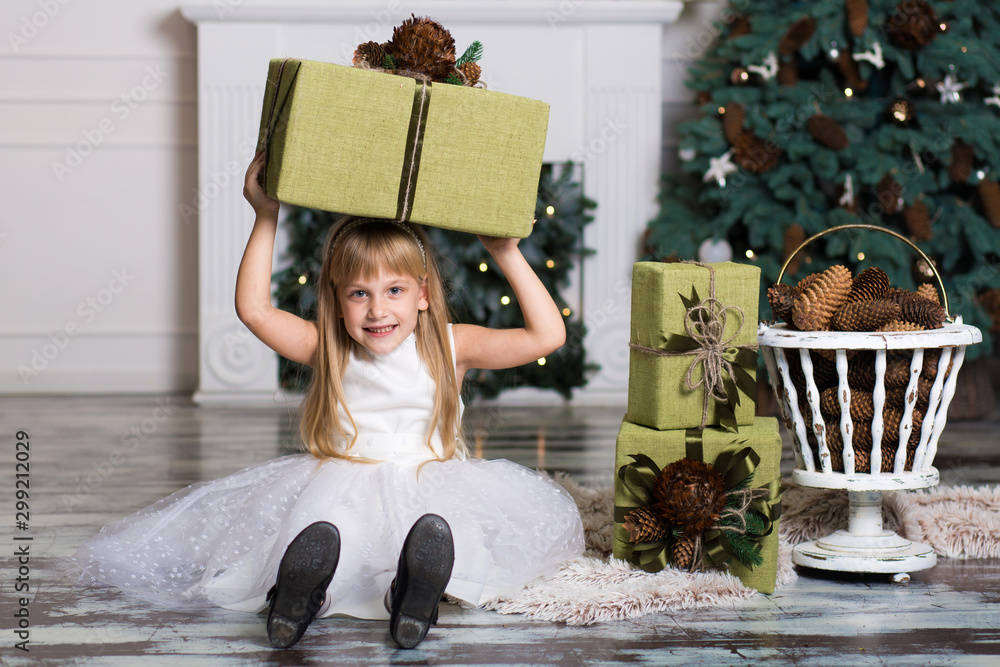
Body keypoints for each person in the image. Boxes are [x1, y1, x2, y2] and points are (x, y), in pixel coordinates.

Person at [73, 151, 585, 650]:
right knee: (332, 533)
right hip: (340, 482)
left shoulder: (451, 345)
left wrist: (506, 252)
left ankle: (414, 594)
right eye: (358, 293)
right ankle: (297, 597)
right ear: (337, 301)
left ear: (423, 294)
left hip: (431, 485)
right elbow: (253, 310)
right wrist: (265, 215)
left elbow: (547, 337)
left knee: (433, 533)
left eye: (394, 291)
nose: (377, 309)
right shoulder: (327, 345)